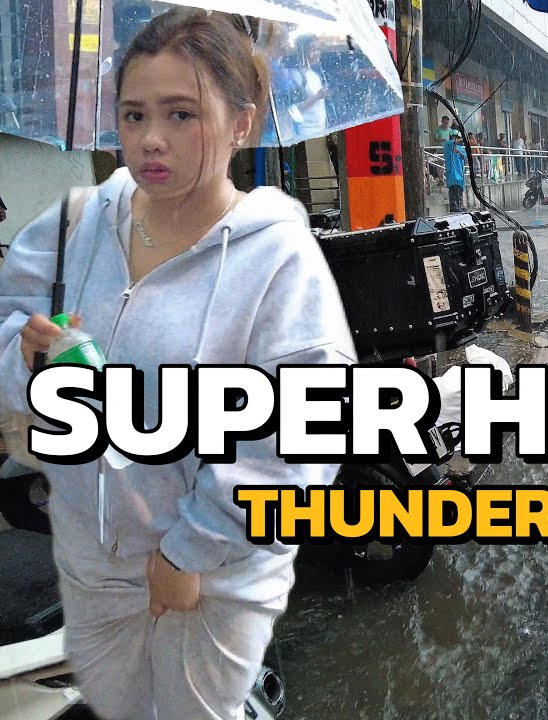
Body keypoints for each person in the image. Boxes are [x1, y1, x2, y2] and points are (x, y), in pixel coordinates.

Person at [0, 9, 355, 719]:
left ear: (241, 125)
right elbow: (9, 323)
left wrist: (190, 552)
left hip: (207, 576)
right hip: (92, 562)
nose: (150, 139)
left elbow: (304, 431)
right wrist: (30, 358)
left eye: (181, 114)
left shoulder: (277, 258)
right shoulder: (78, 224)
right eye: (133, 115)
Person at [444, 128, 467, 212]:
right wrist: (463, 138)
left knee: (459, 189)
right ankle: (454, 206)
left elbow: (464, 157)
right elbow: (452, 143)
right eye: (454, 137)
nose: (455, 139)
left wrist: (459, 152)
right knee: (453, 189)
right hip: (451, 171)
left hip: (459, 171)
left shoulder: (461, 148)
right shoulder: (447, 145)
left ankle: (459, 205)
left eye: (456, 137)